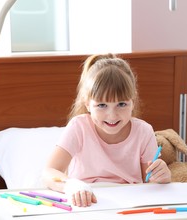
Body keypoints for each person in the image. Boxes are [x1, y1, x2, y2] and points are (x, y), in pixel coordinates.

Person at [42, 53, 171, 207]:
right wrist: (71, 185)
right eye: (102, 105)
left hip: (131, 204)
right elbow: (49, 172)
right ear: (88, 104)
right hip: (88, 203)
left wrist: (162, 176)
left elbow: (149, 181)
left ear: (133, 101)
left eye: (122, 104)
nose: (112, 115)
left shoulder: (143, 131)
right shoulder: (79, 127)